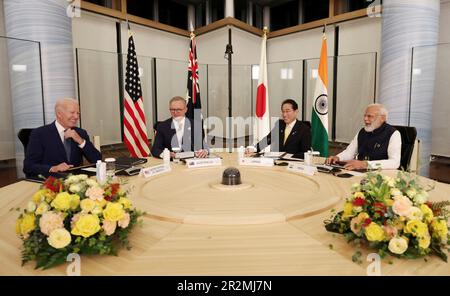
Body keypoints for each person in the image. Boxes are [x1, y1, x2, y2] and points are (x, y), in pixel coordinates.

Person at [23, 98, 102, 177]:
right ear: (59, 114)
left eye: (78, 113)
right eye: (72, 112)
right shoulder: (39, 134)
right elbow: (28, 166)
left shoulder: (81, 133)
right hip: (51, 182)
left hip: (76, 182)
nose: (76, 116)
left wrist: (80, 140)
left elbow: (97, 160)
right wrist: (53, 168)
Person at [326, 103, 401, 170]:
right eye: (365, 116)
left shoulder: (393, 134)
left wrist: (366, 164)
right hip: (359, 172)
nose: (365, 119)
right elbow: (349, 153)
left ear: (382, 118)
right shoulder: (362, 131)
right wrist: (337, 158)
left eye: (370, 116)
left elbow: (394, 163)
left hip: (381, 175)